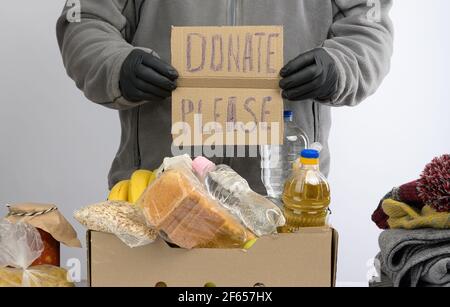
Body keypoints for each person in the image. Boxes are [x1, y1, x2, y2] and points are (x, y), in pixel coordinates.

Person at [57, 0, 393, 194]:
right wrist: (116, 65)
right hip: (156, 192)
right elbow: (84, 17)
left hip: (286, 195)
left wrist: (339, 66)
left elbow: (369, 21)